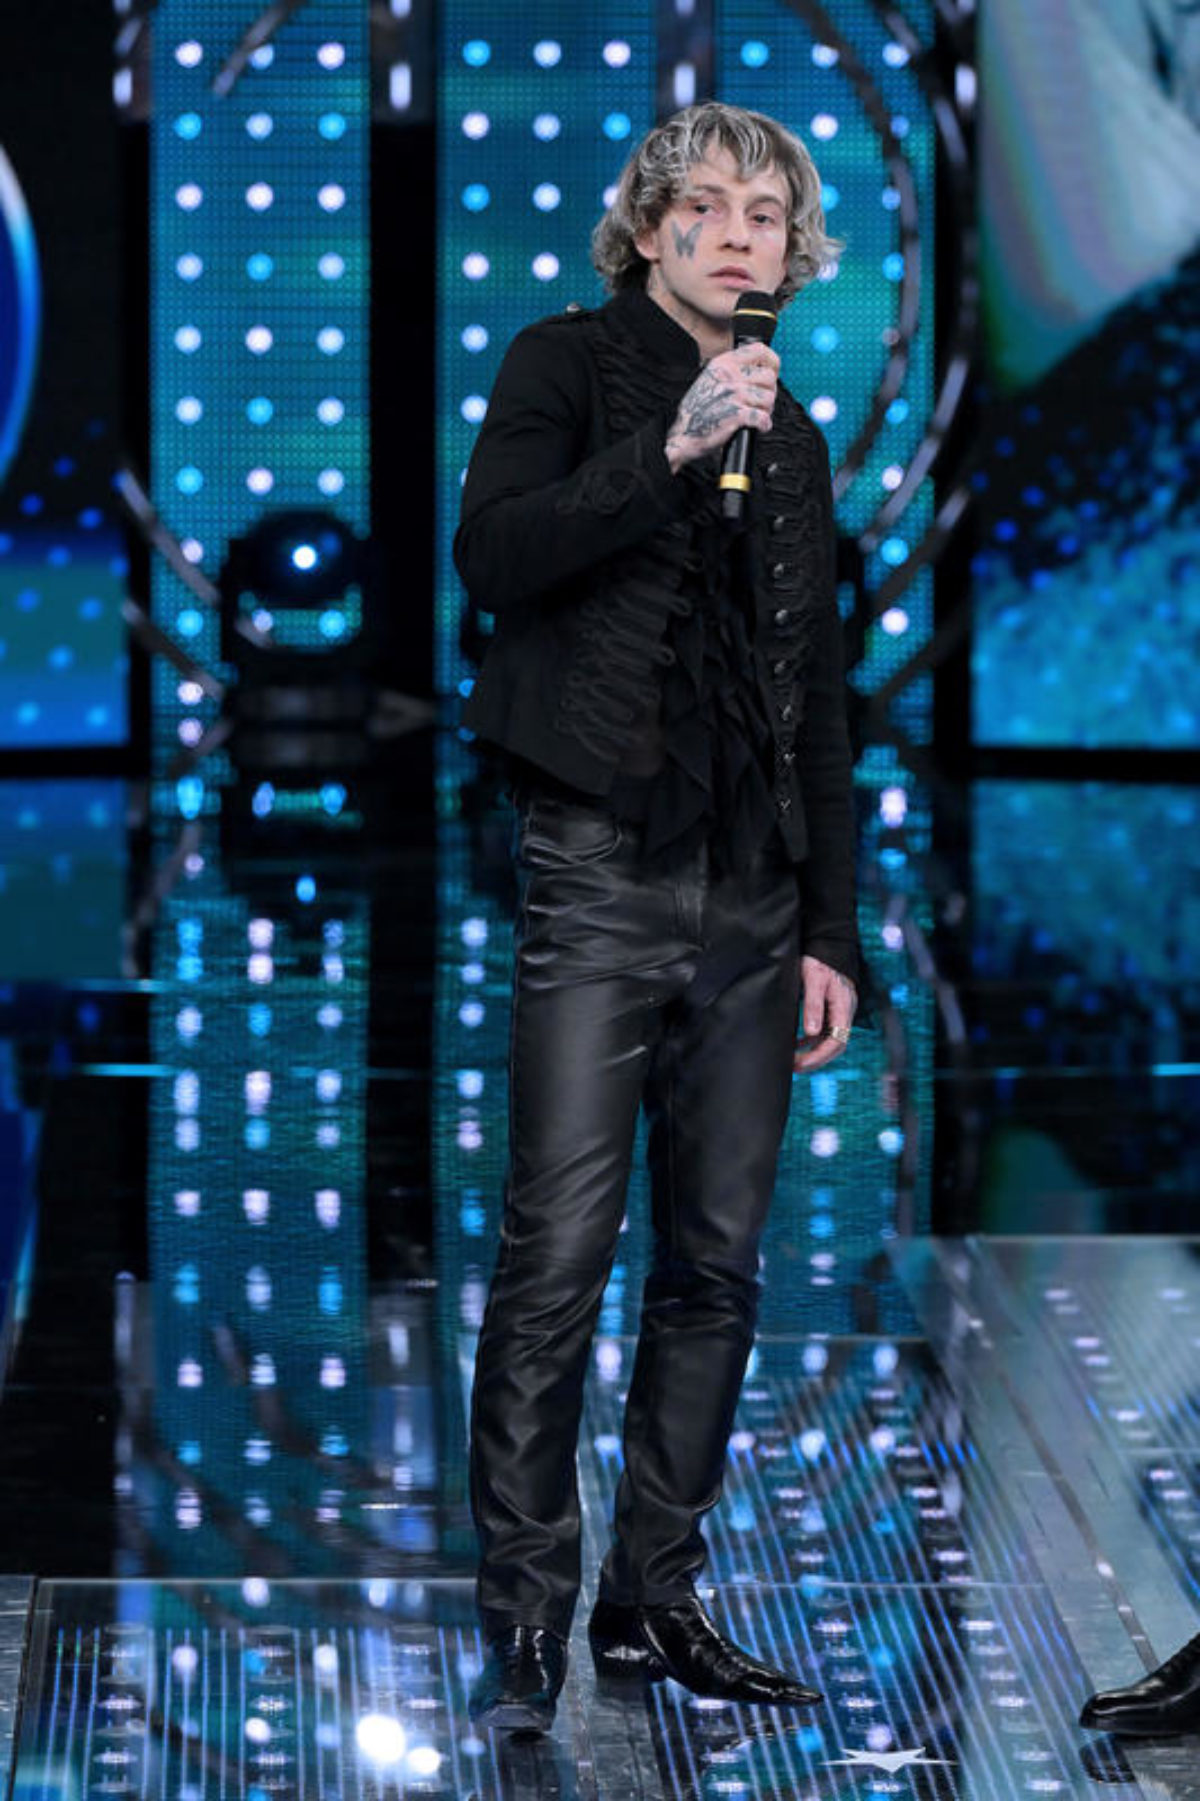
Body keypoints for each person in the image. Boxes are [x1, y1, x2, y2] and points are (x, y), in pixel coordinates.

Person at [454, 102, 860, 1734]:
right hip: (601, 866)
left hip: (755, 898)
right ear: (648, 229)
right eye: (711, 206)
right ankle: (522, 1616)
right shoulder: (563, 364)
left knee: (717, 1265)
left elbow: (816, 696)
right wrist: (672, 449)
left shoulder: (797, 436)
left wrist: (832, 929)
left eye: (769, 216)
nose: (742, 236)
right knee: (557, 1249)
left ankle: (654, 1597)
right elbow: (494, 557)